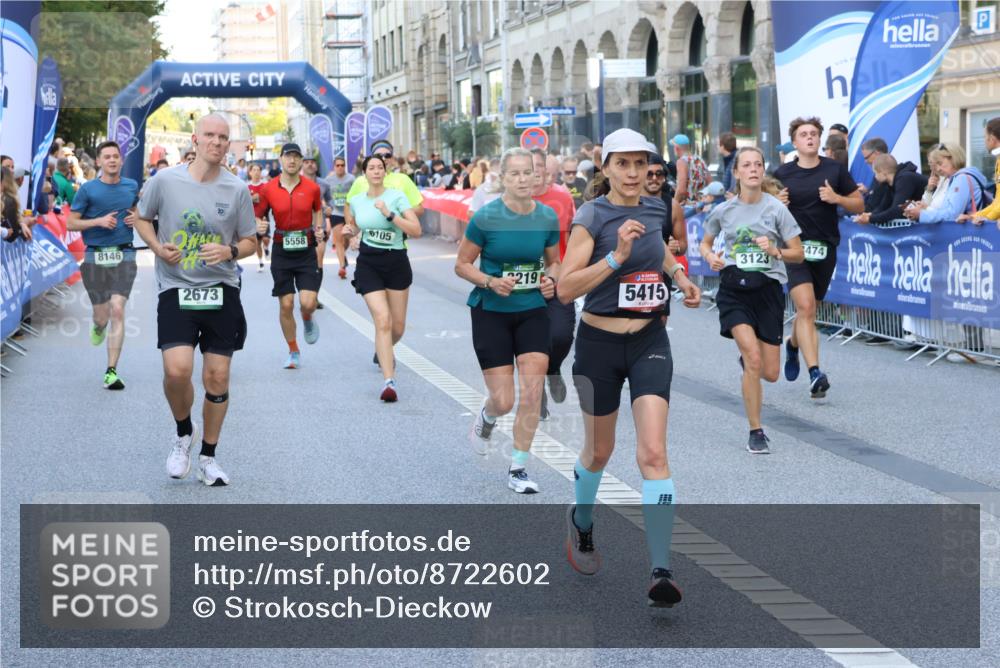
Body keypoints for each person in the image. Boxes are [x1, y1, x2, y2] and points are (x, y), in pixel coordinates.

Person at [556, 128, 701, 608]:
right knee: (599, 452)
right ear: (607, 168)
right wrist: (615, 257)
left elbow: (657, 247)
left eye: (642, 164)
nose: (635, 173)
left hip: (649, 341)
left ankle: (661, 568)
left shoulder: (657, 206)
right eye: (624, 164)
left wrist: (679, 276)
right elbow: (564, 289)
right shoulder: (590, 216)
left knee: (653, 454)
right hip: (598, 344)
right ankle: (581, 520)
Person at [133, 114, 256, 487]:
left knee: (217, 377)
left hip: (221, 291)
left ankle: (208, 457)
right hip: (176, 287)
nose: (217, 142)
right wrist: (157, 247)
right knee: (177, 371)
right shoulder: (165, 180)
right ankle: (183, 432)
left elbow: (251, 241)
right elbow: (140, 218)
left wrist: (230, 250)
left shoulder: (237, 189)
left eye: (223, 137)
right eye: (210, 135)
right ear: (195, 139)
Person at [456, 147, 561, 492]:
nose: (521, 179)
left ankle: (518, 468)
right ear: (503, 178)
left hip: (532, 310)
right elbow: (462, 265)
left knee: (532, 393)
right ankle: (487, 417)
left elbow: (554, 262)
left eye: (526, 172)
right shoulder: (486, 217)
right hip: (491, 313)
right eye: (513, 173)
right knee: (504, 400)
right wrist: (490, 281)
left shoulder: (546, 217)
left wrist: (550, 279)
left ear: (536, 175)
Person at [700, 147, 805, 454]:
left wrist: (776, 252)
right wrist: (711, 258)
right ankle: (756, 431)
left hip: (768, 290)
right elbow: (706, 243)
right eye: (746, 165)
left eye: (758, 164)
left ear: (762, 171)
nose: (753, 169)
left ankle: (754, 364)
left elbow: (798, 252)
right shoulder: (724, 210)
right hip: (734, 289)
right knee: (753, 359)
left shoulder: (776, 210)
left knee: (770, 373)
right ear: (737, 173)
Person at [774, 117, 863, 398]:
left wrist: (837, 198)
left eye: (814, 134)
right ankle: (815, 373)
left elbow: (859, 203)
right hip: (794, 248)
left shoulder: (835, 169)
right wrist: (777, 202)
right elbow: (764, 208)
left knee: (809, 311)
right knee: (807, 308)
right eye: (804, 134)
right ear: (796, 141)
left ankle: (792, 344)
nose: (809, 138)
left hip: (825, 247)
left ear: (819, 139)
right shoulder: (783, 173)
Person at [343, 154, 422, 401]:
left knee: (397, 327)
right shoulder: (357, 200)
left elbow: (416, 230)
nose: (376, 171)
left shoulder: (396, 197)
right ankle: (389, 382)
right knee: (383, 320)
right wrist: (350, 231)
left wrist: (390, 215)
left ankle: (383, 347)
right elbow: (357, 225)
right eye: (372, 168)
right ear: (364, 174)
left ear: (385, 172)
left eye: (380, 167)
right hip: (369, 264)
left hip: (396, 261)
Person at [67, 141, 140, 390]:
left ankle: (111, 371)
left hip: (125, 255)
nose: (112, 160)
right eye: (107, 157)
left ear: (121, 161)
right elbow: (71, 223)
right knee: (102, 315)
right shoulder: (88, 190)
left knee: (117, 309)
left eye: (115, 156)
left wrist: (135, 217)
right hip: (95, 257)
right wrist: (97, 221)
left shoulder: (131, 186)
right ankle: (98, 324)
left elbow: (138, 211)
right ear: (98, 162)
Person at [256, 143, 325, 369]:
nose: (292, 161)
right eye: (288, 156)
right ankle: (293, 350)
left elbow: (317, 210)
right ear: (281, 159)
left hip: (305, 249)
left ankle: (307, 318)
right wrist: (260, 224)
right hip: (281, 249)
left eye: (296, 157)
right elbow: (260, 214)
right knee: (286, 304)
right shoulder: (268, 188)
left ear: (301, 161)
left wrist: (319, 228)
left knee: (308, 302)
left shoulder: (312, 188)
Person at [530, 149, 577, 420]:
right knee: (528, 345)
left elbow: (573, 238)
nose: (534, 172)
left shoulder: (562, 197)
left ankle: (553, 367)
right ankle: (537, 398)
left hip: (558, 278)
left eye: (538, 166)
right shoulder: (513, 201)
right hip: (523, 284)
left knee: (560, 336)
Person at [345, 141, 424, 216]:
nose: (383, 158)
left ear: (392, 158)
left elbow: (419, 209)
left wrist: (394, 215)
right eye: (379, 155)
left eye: (387, 155)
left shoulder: (403, 179)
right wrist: (351, 227)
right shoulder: (360, 181)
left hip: (396, 229)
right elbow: (348, 205)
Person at [855, 154, 927, 226]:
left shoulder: (904, 179)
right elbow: (883, 206)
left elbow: (896, 210)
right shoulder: (890, 183)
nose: (875, 177)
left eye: (876, 173)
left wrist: (870, 219)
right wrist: (870, 215)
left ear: (883, 172)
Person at [960, 117, 1000, 226]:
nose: (984, 140)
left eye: (985, 137)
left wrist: (985, 218)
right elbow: (997, 202)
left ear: (992, 139)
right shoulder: (998, 160)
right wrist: (973, 216)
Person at [303, 157, 334, 289]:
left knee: (318, 260)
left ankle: (314, 294)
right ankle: (305, 291)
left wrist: (329, 209)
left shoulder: (324, 184)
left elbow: (330, 201)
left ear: (316, 166)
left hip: (318, 225)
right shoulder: (296, 182)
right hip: (300, 226)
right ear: (302, 165)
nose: (310, 165)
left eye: (313, 162)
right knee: (303, 262)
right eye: (307, 162)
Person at [326, 156, 356, 279]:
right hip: (336, 212)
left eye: (342, 165)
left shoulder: (351, 179)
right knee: (338, 240)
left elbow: (357, 194)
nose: (340, 167)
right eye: (337, 165)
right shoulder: (328, 180)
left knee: (346, 239)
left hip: (348, 212)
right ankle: (342, 267)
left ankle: (343, 256)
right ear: (334, 167)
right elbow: (324, 195)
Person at [671, 134, 711, 204]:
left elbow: (681, 190)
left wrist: (674, 204)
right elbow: (710, 182)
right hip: (703, 203)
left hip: (689, 205)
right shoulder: (700, 159)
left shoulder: (681, 161)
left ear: (676, 148)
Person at [246, 163, 271, 271]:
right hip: (252, 218)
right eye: (254, 170)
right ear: (250, 172)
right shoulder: (246, 186)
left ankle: (266, 248)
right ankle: (260, 262)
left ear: (261, 173)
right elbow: (245, 201)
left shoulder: (265, 186)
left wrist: (257, 198)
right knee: (257, 242)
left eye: (258, 170)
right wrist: (253, 198)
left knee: (265, 239)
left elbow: (267, 199)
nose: (256, 172)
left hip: (264, 216)